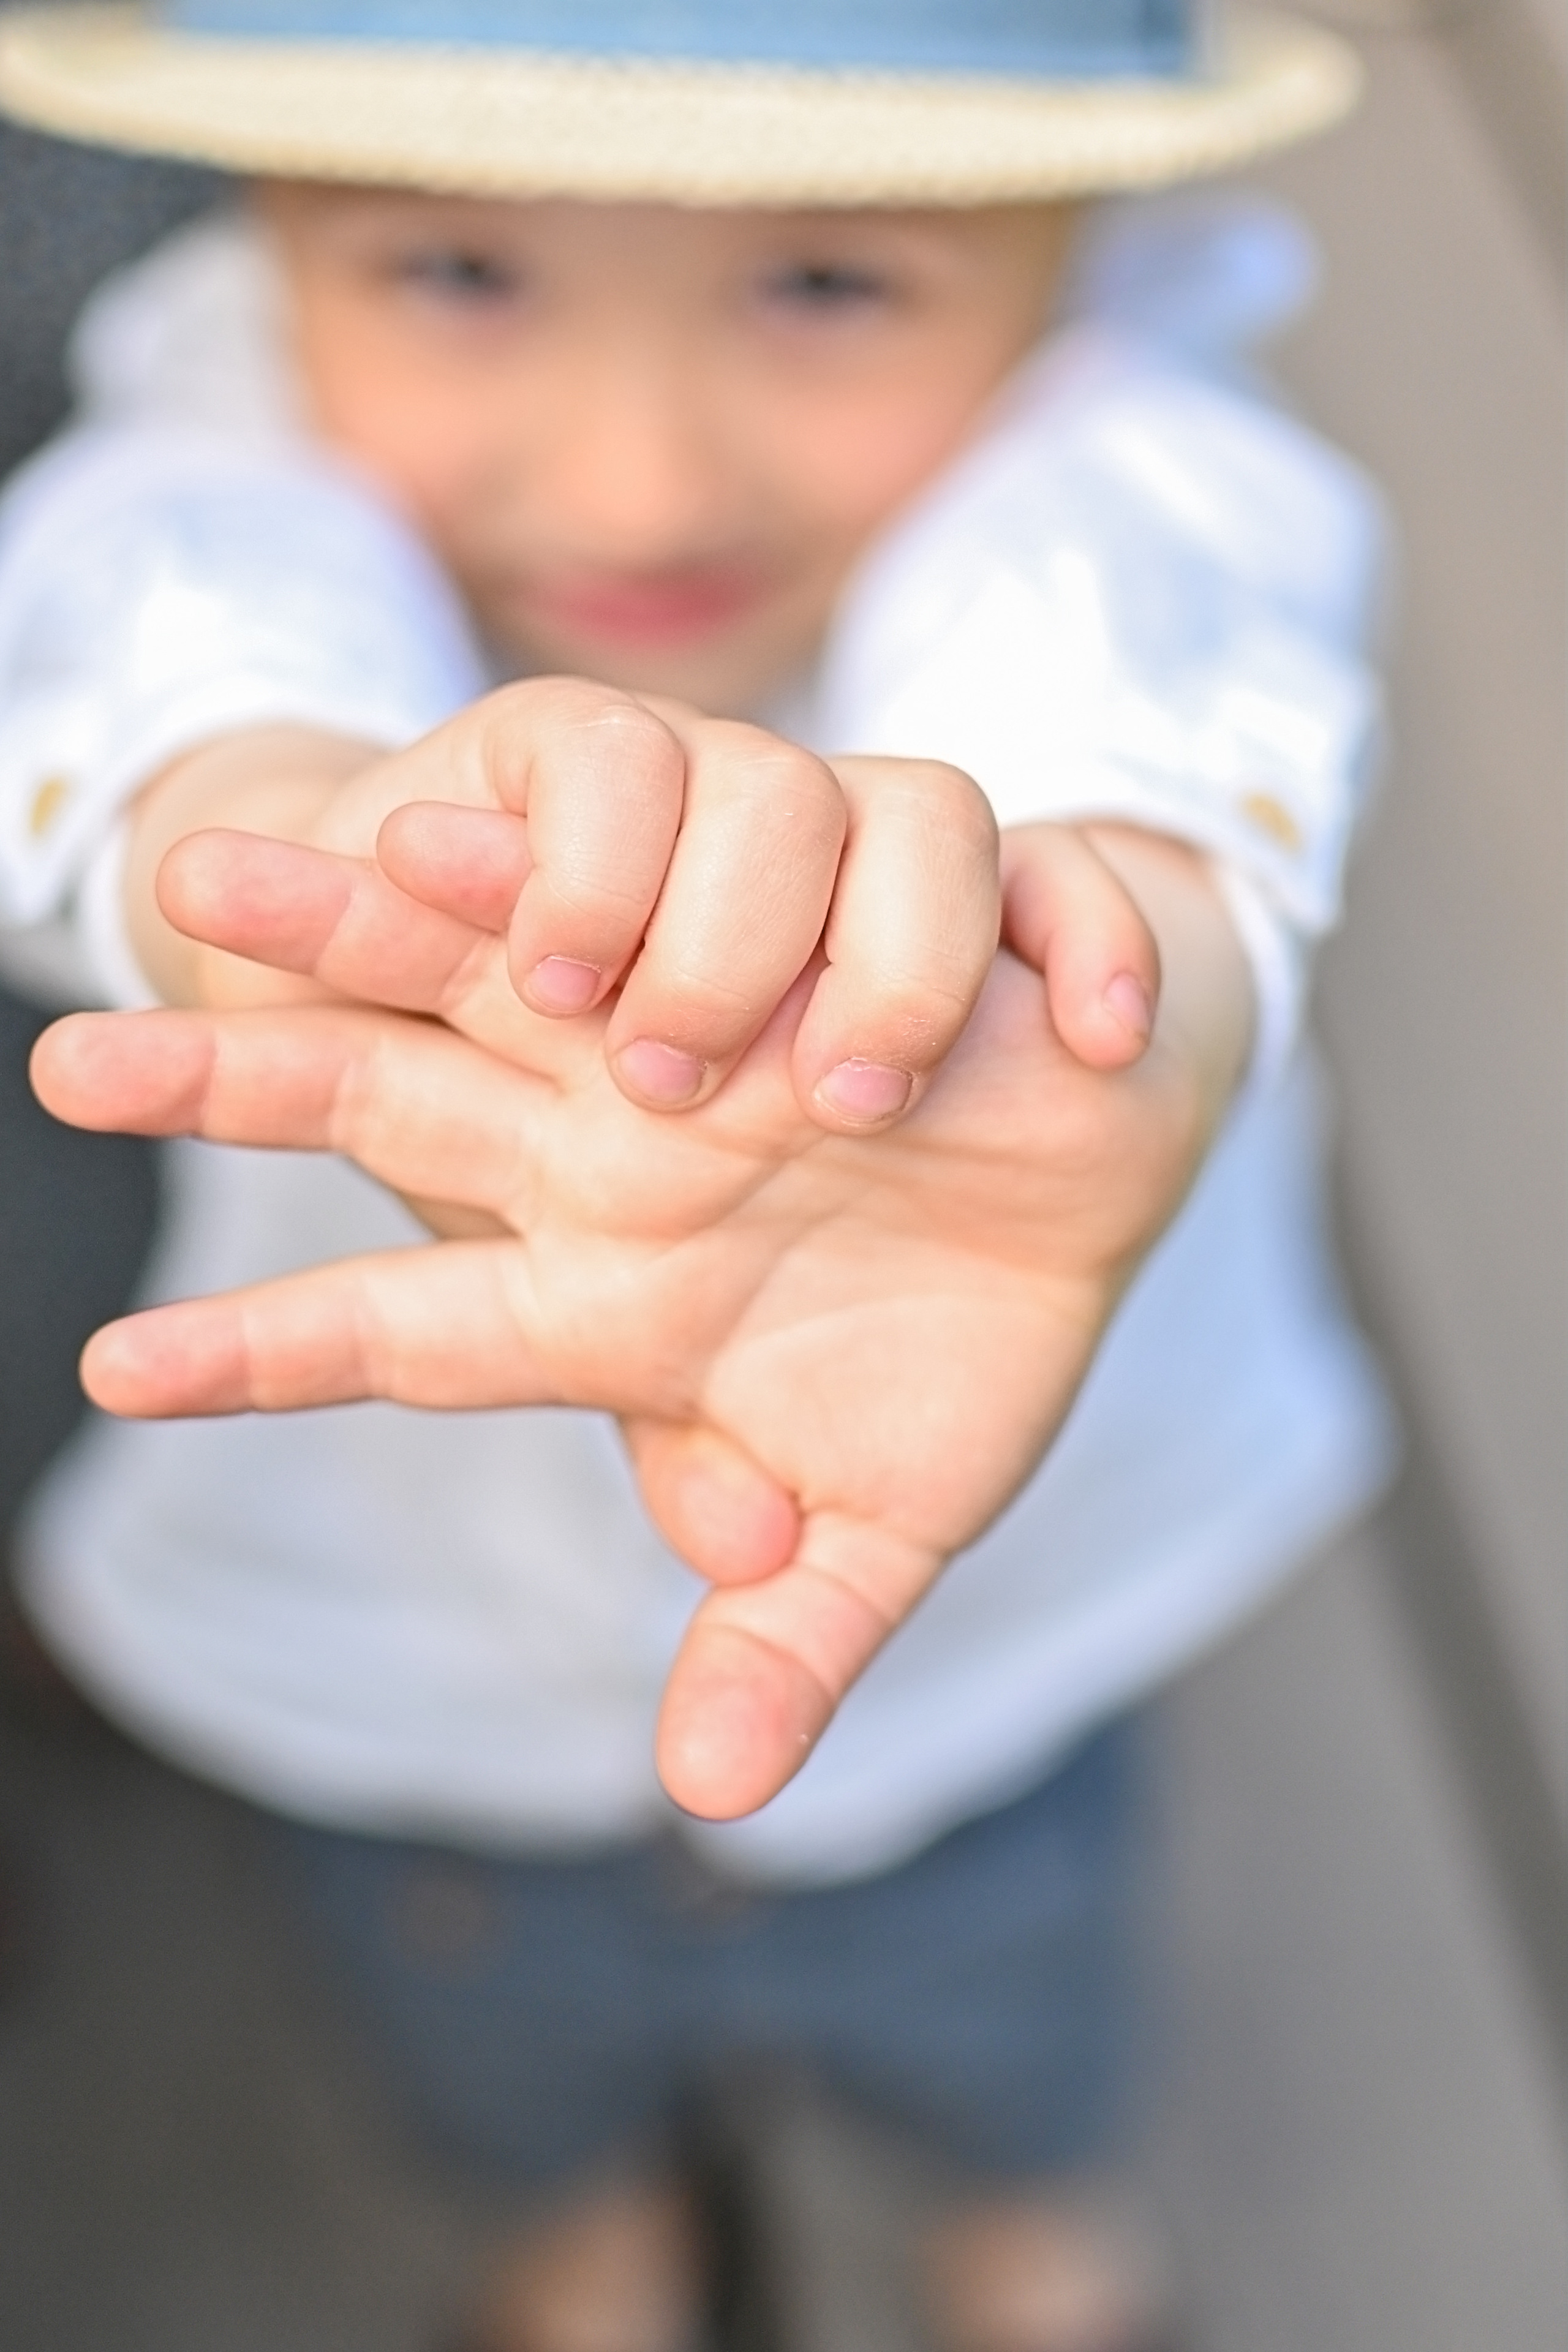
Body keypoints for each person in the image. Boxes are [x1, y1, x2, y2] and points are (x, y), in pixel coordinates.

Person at [0, 4, 1396, 2345]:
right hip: (405, 1660)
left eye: (832, 280)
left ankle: (1024, 2220)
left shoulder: (1124, 441)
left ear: (1082, 230)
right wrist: (317, 855)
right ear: (261, 221)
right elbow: (158, 641)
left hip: (986, 1640)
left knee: (1019, 2000)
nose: (636, 485)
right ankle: (584, 2223)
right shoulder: (220, 425)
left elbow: (1149, 653)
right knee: (494, 2050)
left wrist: (1101, 974)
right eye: (458, 268)